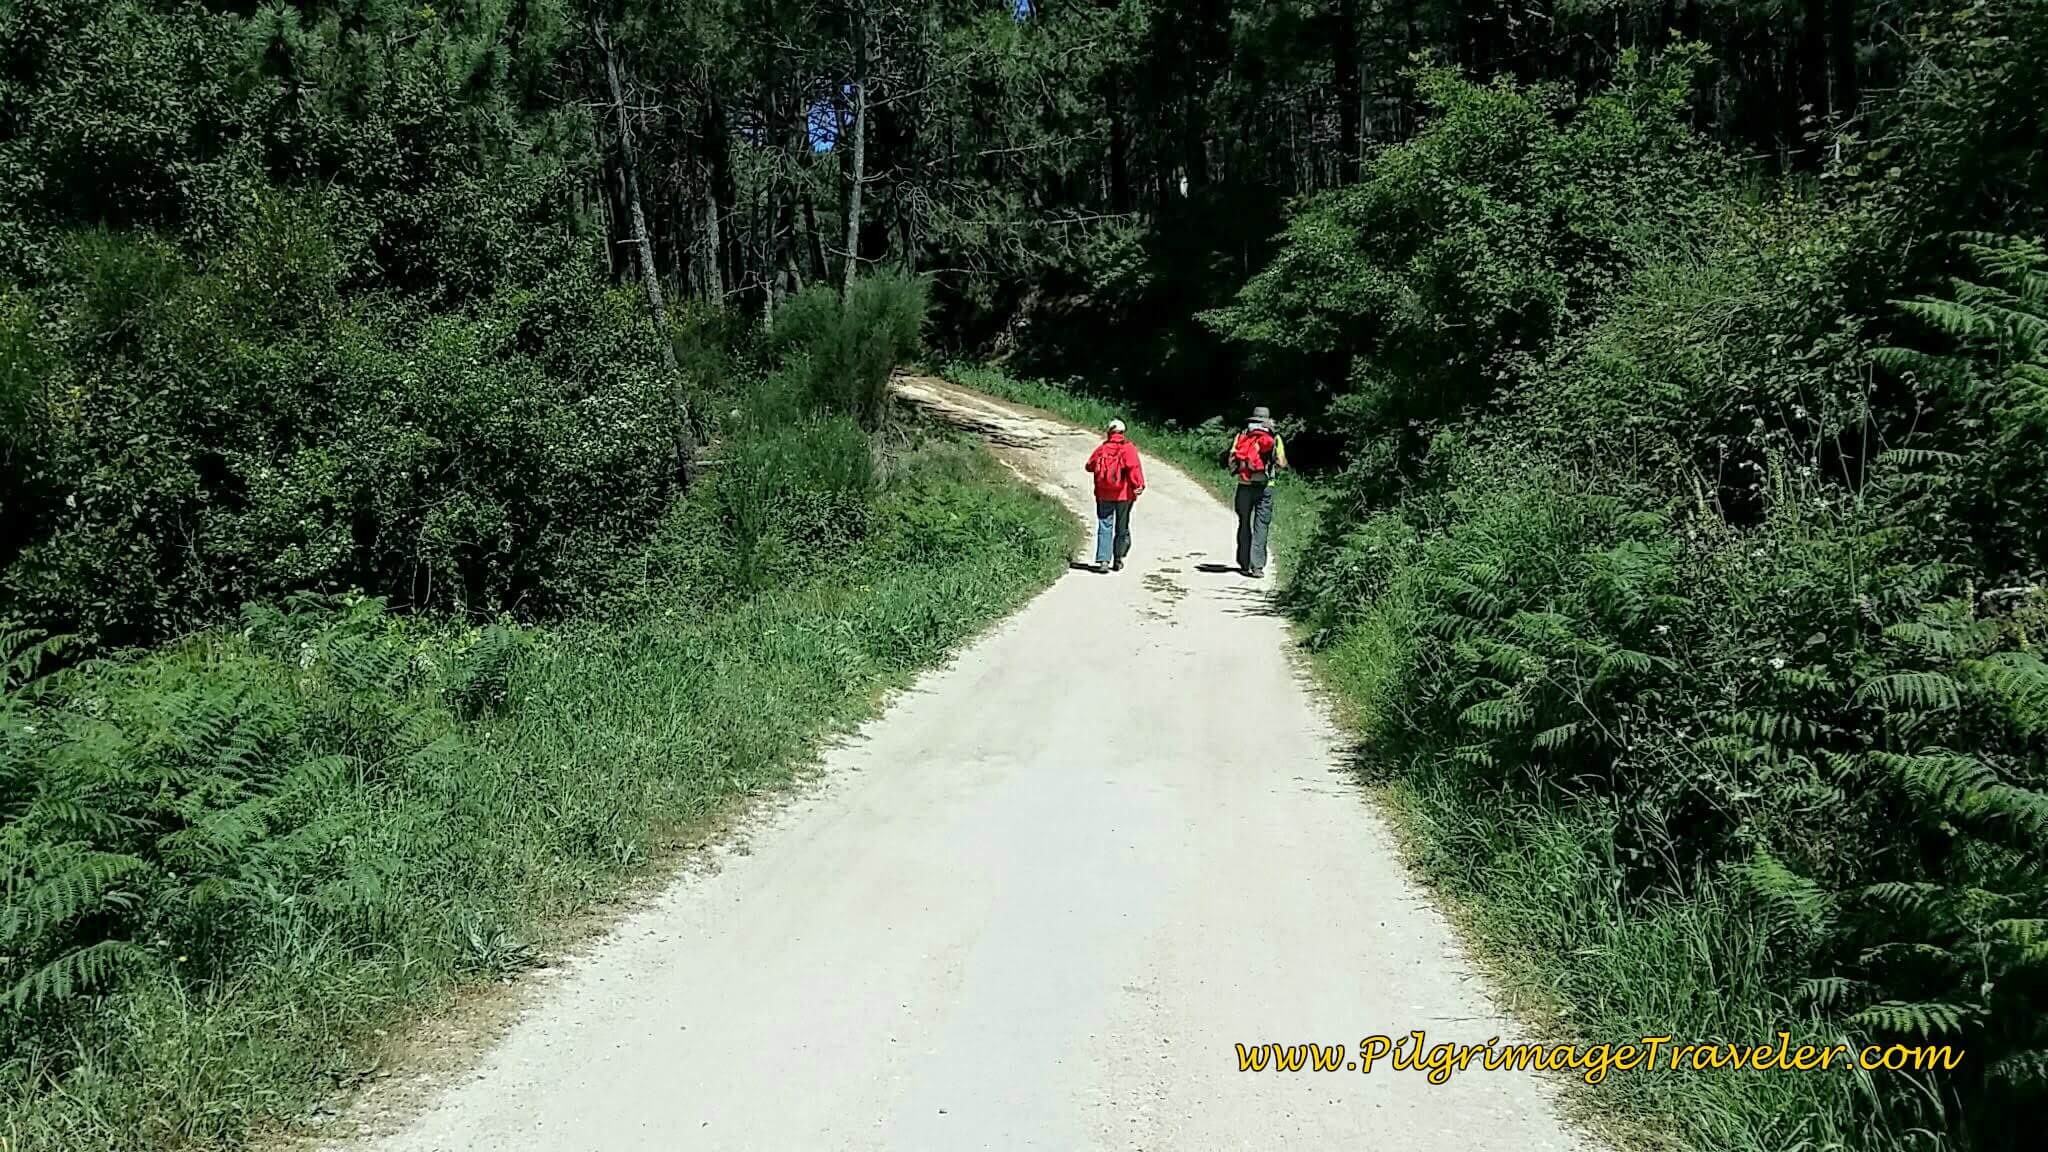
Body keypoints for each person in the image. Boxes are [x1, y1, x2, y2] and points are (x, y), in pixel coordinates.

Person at [1225, 406, 1287, 577]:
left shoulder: (1242, 435)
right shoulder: (1274, 437)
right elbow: (1281, 463)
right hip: (1266, 486)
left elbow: (1231, 459)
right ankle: (1257, 566)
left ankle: (1244, 563)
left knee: (1244, 523)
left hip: (1244, 485)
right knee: (1261, 526)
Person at [1084, 419, 1145, 572]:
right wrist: (1139, 485)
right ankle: (1118, 559)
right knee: (1122, 526)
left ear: (1109, 432)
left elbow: (1089, 466)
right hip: (1124, 495)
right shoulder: (1128, 449)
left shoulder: (1102, 449)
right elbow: (1134, 468)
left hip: (1103, 494)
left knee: (1105, 525)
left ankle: (1104, 561)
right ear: (1123, 433)